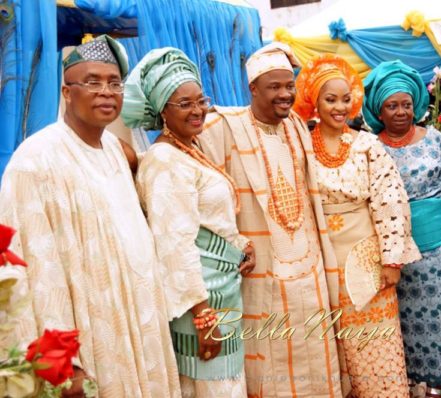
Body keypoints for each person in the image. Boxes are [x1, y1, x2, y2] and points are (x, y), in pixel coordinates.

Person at [0, 35, 181, 396]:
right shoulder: (35, 161)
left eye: (114, 83)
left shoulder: (115, 149)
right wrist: (63, 363)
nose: (106, 92)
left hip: (140, 326)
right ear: (67, 93)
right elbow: (32, 268)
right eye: (93, 82)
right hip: (87, 339)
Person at [198, 43, 342, 397]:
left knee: (317, 366)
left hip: (309, 270)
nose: (285, 94)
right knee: (275, 370)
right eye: (274, 87)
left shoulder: (294, 124)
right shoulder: (223, 128)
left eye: (289, 86)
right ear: (253, 89)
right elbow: (183, 153)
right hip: (267, 275)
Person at [122, 47, 255, 398]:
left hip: (220, 290)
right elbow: (174, 244)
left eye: (201, 100)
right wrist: (201, 316)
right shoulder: (164, 160)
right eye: (184, 103)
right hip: (201, 303)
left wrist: (241, 246)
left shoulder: (187, 149)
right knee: (211, 387)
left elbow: (207, 221)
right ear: (162, 109)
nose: (198, 110)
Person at [293, 54, 421, 397]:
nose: (339, 107)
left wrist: (392, 259)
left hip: (367, 259)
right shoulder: (302, 148)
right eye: (330, 99)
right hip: (323, 262)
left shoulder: (367, 145)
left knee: (378, 343)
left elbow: (391, 201)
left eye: (345, 99)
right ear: (314, 101)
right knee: (335, 346)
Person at [362, 60, 441, 398]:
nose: (401, 112)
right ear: (378, 111)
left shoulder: (438, 141)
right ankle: (409, 382)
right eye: (392, 106)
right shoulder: (369, 150)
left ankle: (438, 388)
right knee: (405, 326)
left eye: (406, 104)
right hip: (394, 260)